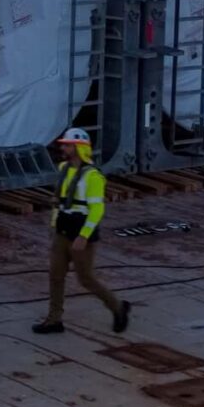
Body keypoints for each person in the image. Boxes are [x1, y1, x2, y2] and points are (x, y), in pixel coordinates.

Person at [34, 128, 130, 336]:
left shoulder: (92, 177)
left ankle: (117, 307)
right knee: (55, 275)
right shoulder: (63, 169)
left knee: (85, 278)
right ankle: (54, 319)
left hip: (80, 234)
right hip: (62, 230)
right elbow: (58, 201)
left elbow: (97, 209)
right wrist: (53, 225)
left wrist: (84, 236)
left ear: (79, 148)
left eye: (67, 145)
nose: (62, 148)